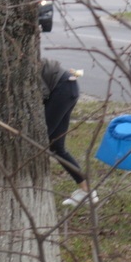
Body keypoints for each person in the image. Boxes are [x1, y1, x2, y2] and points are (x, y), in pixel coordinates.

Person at [42, 57, 93, 207]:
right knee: (56, 146)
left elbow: (40, 92)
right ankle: (86, 191)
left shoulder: (19, 63)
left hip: (63, 89)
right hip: (67, 87)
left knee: (41, 137)